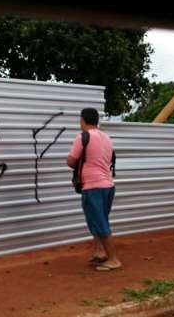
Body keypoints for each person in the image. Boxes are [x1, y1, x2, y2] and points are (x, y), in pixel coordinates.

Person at [67, 108, 121, 271]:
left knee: (99, 222)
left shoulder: (82, 137)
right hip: (108, 186)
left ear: (82, 120)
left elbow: (71, 161)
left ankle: (113, 259)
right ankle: (100, 252)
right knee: (99, 219)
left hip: (93, 186)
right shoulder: (106, 137)